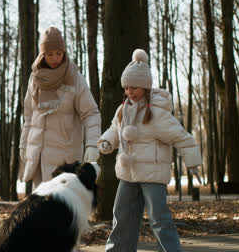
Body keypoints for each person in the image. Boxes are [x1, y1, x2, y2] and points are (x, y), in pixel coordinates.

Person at [97, 49, 202, 252]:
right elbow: (114, 130)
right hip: (128, 174)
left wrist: (192, 161)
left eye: (135, 87)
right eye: (126, 88)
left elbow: (181, 136)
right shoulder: (122, 110)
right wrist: (107, 141)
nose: (130, 92)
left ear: (145, 87)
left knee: (158, 219)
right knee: (121, 216)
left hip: (152, 175)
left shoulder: (156, 114)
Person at [19, 27, 101, 188]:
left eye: (59, 53)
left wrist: (92, 144)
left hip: (66, 160)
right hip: (39, 156)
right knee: (42, 210)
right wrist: (23, 145)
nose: (55, 58)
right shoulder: (35, 79)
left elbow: (91, 113)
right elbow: (29, 117)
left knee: (64, 209)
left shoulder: (74, 78)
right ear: (42, 55)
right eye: (49, 54)